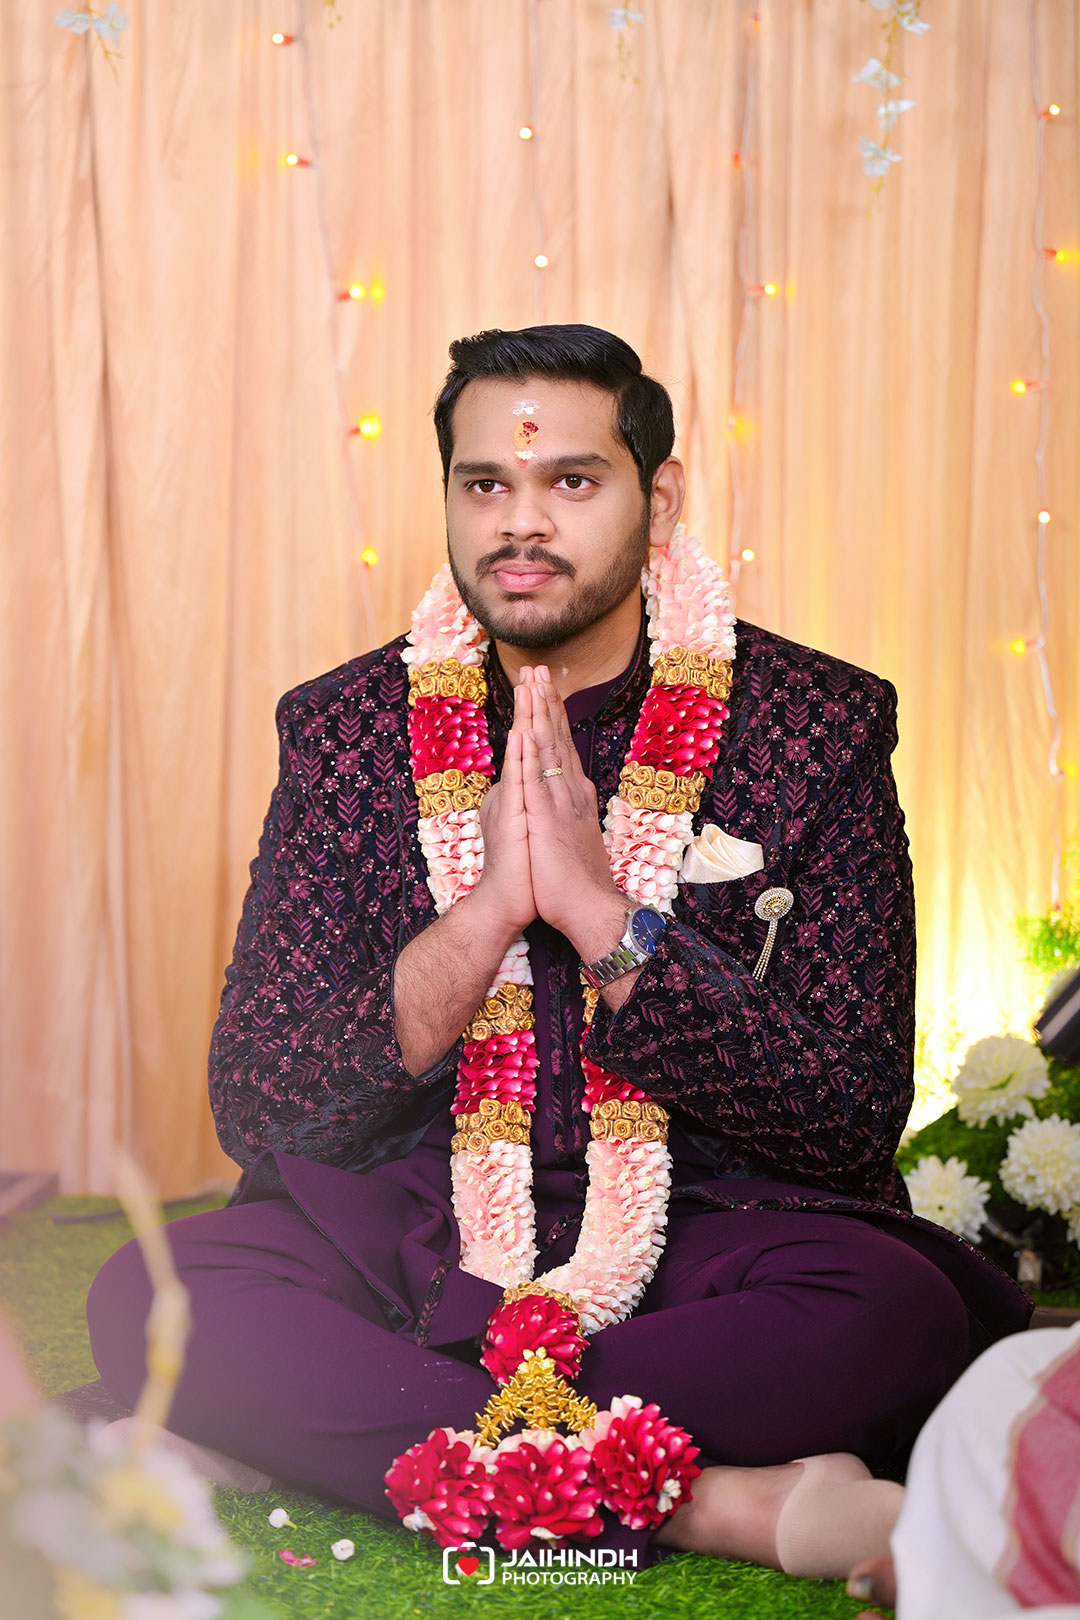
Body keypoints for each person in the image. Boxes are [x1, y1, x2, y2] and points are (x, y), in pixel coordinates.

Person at [87, 324, 1031, 1576]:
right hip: (413, 1222)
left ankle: (333, 1428)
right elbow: (261, 1103)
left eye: (572, 480)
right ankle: (716, 1504)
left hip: (709, 1219)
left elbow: (847, 1118)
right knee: (149, 1294)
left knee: (891, 1317)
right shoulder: (345, 730)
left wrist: (600, 912)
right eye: (485, 484)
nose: (520, 523)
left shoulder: (814, 724)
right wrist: (481, 917)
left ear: (660, 496)